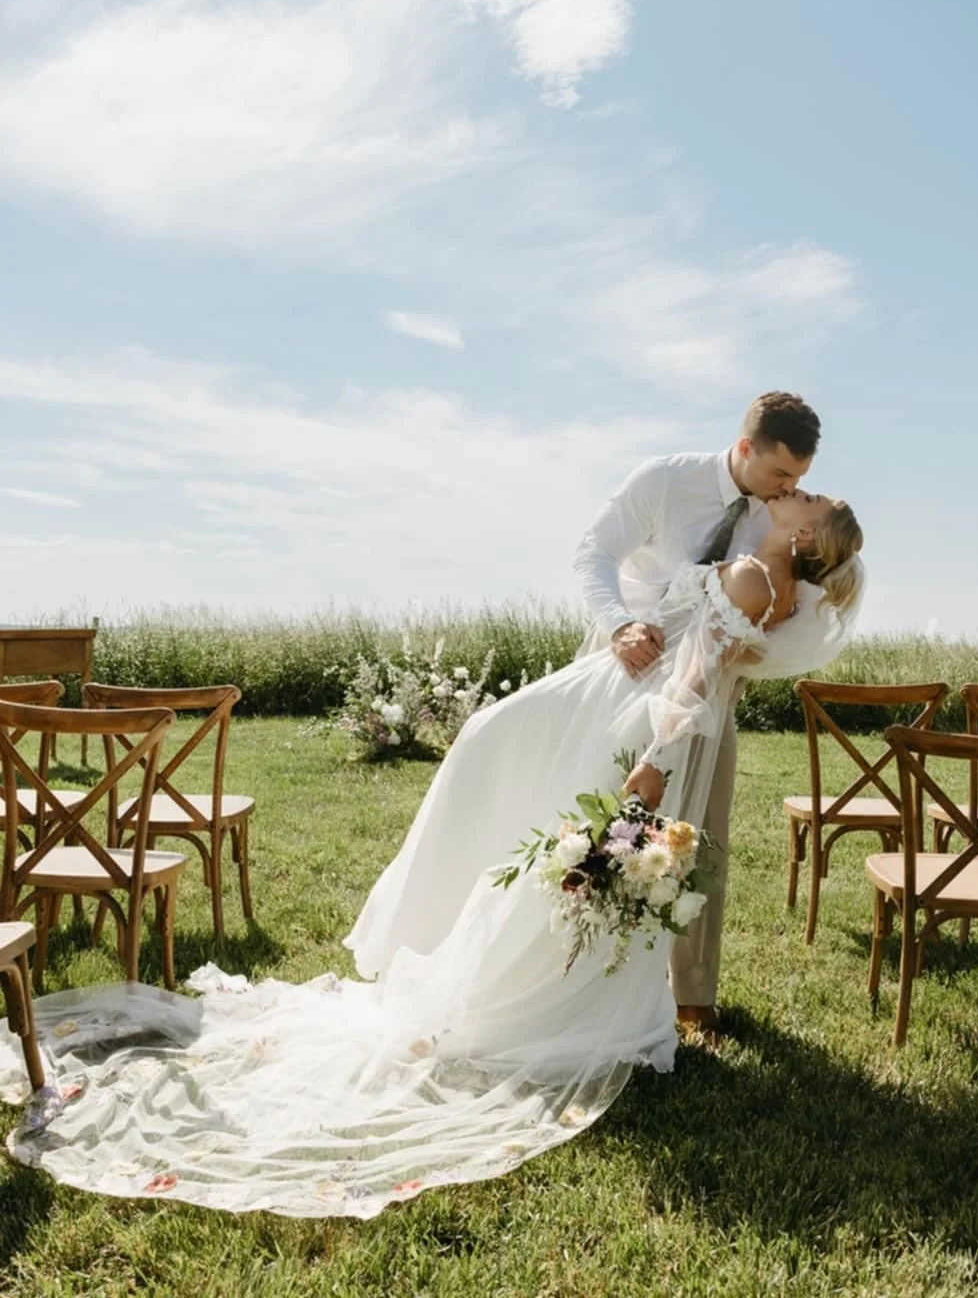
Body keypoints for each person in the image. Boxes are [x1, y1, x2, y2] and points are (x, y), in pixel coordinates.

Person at [0, 488, 863, 1220]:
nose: (800, 493)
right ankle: (525, 963)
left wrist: (649, 758)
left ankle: (508, 984)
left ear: (801, 536)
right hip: (628, 707)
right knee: (562, 828)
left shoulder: (753, 577)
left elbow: (693, 679)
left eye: (809, 500)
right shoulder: (782, 594)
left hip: (619, 710)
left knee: (513, 768)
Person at [573, 391, 862, 1040]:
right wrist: (619, 625)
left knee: (704, 834)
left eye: (798, 481)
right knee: (606, 813)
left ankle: (693, 996)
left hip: (704, 688)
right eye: (780, 475)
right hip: (627, 664)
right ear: (744, 450)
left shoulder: (779, 518)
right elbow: (592, 553)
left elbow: (801, 578)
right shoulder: (662, 481)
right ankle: (593, 966)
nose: (786, 488)